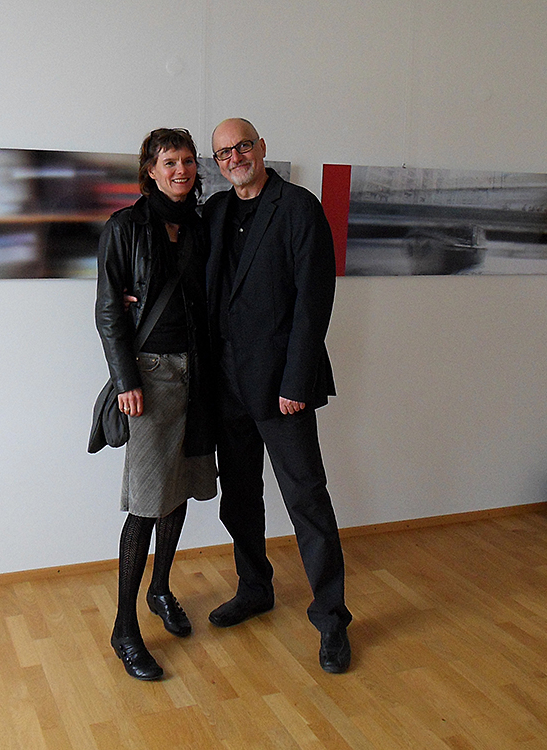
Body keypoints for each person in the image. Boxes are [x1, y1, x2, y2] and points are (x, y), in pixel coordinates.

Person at [203, 118, 352, 673]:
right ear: (218, 162)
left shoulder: (298, 208)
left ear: (261, 147)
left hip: (281, 387)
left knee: (306, 500)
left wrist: (296, 382)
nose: (235, 157)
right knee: (239, 497)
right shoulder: (215, 212)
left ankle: (332, 619)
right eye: (224, 153)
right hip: (226, 385)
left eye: (242, 146)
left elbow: (314, 303)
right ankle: (254, 588)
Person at [94, 128, 217, 681]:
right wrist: (125, 380)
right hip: (149, 376)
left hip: (198, 374)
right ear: (150, 169)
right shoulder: (125, 227)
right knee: (147, 503)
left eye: (188, 161)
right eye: (170, 161)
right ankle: (124, 629)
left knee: (180, 489)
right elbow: (107, 310)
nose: (181, 170)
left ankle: (160, 590)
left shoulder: (201, 225)